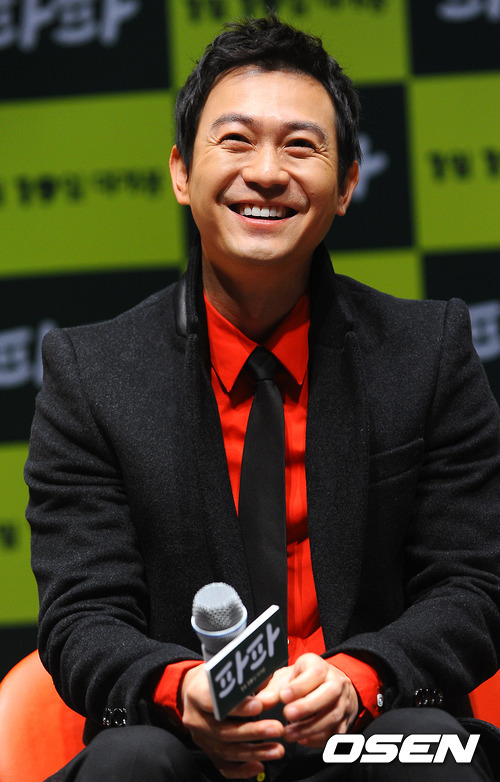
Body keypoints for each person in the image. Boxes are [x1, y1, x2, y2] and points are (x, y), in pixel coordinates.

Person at [25, 15, 500, 782]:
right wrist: (183, 690)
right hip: (183, 743)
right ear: (182, 173)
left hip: (370, 732)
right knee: (128, 761)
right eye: (237, 141)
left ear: (347, 184)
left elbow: (475, 585)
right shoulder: (91, 373)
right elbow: (82, 616)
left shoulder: (428, 351)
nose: (268, 172)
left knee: (427, 757)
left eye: (301, 146)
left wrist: (359, 679)